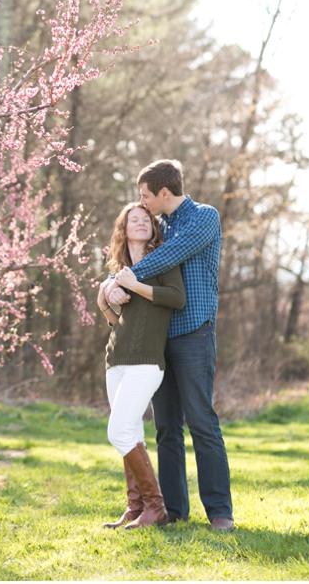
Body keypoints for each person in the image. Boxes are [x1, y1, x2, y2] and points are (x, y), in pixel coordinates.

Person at [108, 159, 235, 532]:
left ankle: (220, 513)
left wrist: (124, 278)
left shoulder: (204, 218)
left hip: (195, 331)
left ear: (165, 193)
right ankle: (174, 510)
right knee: (166, 427)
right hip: (159, 338)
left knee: (201, 421)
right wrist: (112, 284)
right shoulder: (158, 225)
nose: (142, 202)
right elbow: (134, 249)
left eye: (145, 195)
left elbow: (167, 256)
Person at [98, 202, 185, 530]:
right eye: (133, 219)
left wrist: (133, 286)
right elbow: (115, 321)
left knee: (117, 430)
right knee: (130, 433)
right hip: (115, 359)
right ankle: (136, 507)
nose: (140, 223)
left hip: (147, 361)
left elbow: (177, 298)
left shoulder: (162, 259)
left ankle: (155, 507)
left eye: (146, 219)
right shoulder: (117, 269)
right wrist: (104, 298)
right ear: (123, 228)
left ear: (153, 227)